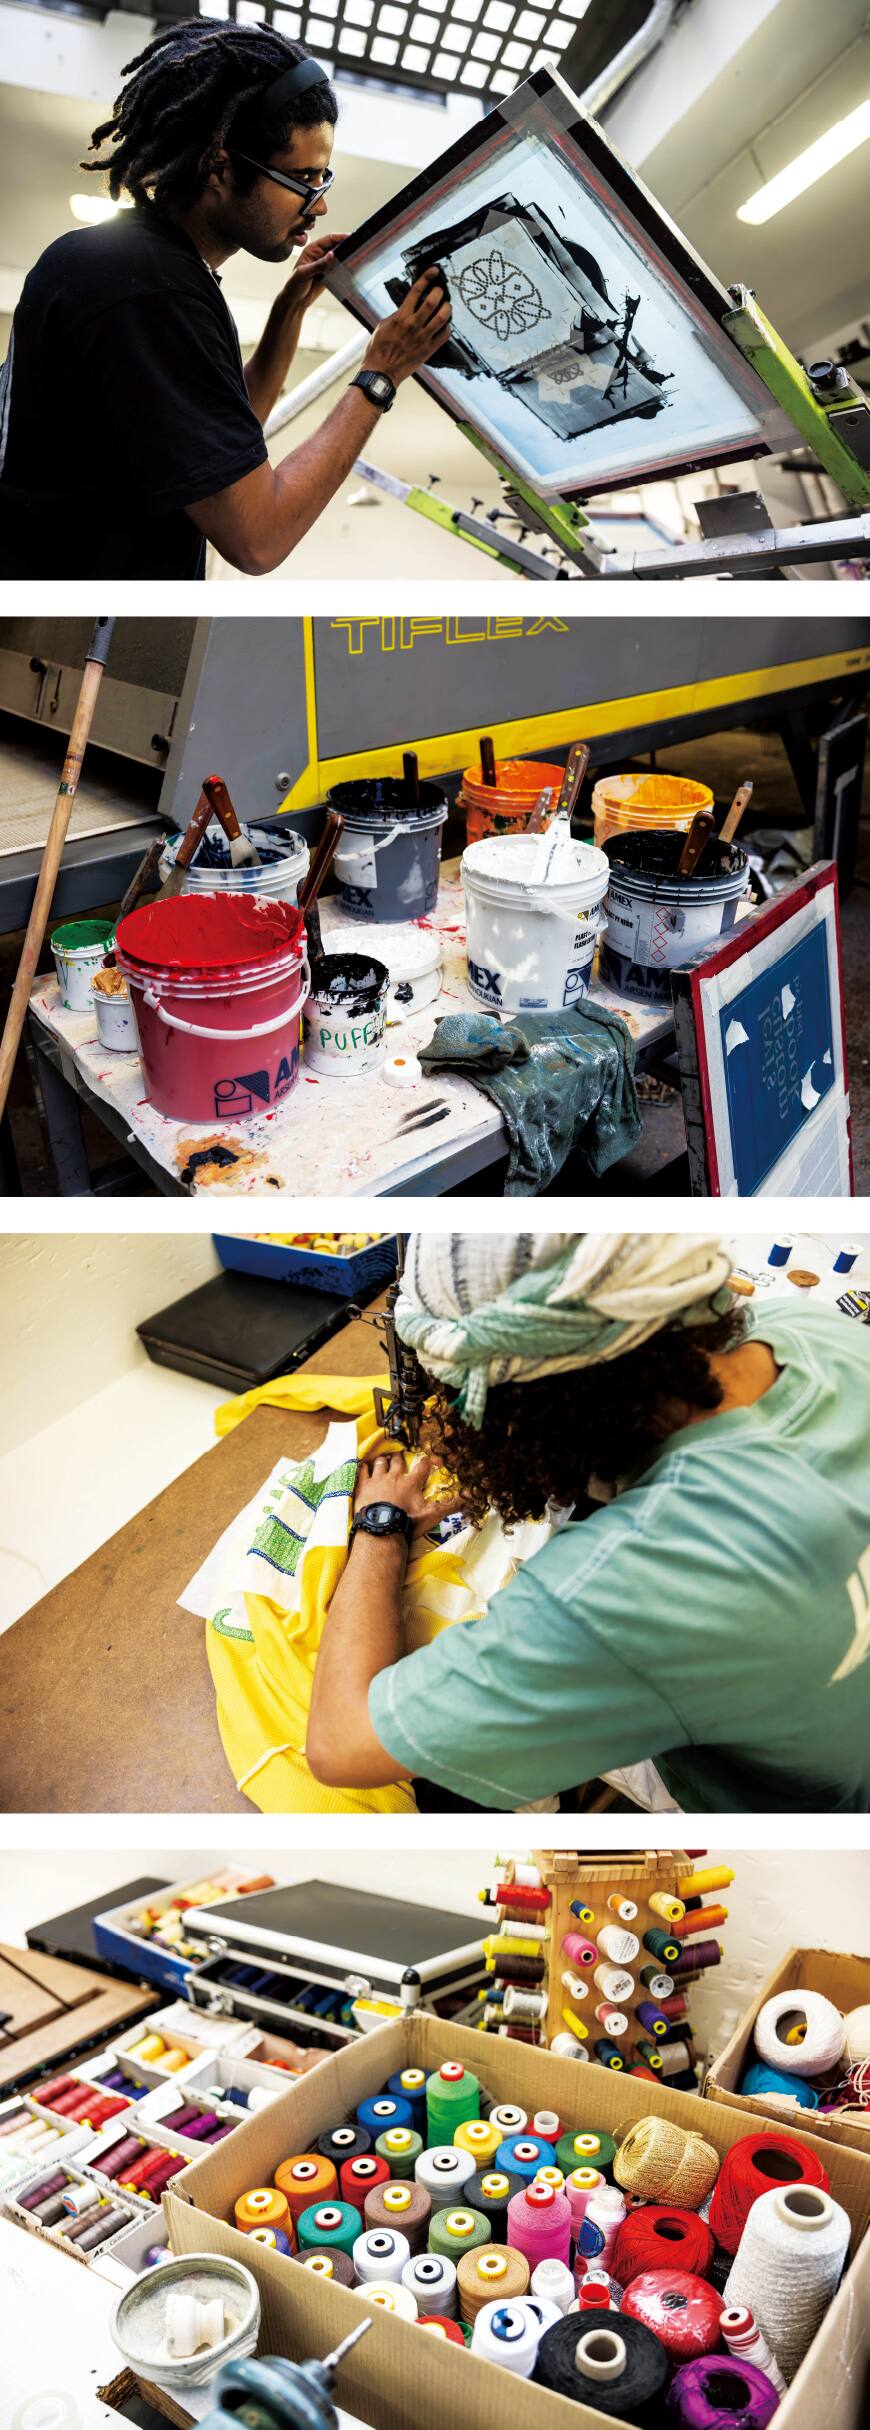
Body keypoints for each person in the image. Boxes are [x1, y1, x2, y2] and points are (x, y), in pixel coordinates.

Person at [305, 1233, 870, 1814]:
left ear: (523, 1407)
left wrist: (381, 1526)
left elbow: (339, 1746)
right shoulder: (809, 1328)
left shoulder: (634, 1583)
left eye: (460, 1400)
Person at [0, 21, 450, 578]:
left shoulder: (132, 267)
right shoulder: (147, 287)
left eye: (323, 178)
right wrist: (380, 376)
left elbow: (226, 447)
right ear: (220, 167)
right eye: (303, 178)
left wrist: (290, 312)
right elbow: (258, 537)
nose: (319, 205)